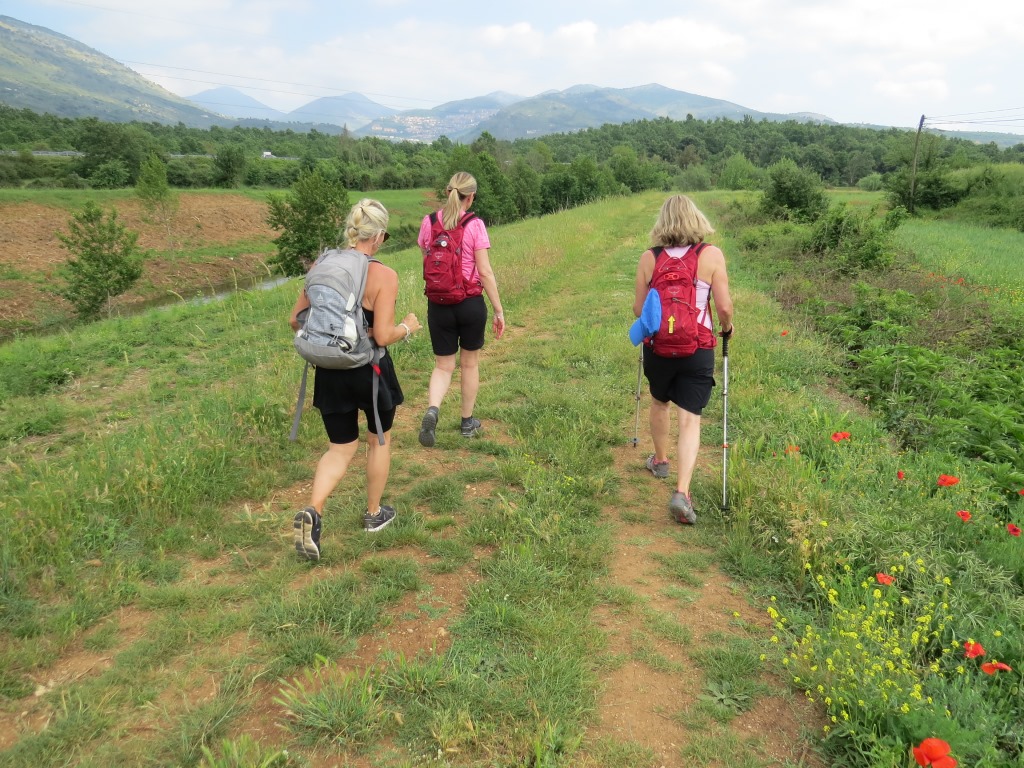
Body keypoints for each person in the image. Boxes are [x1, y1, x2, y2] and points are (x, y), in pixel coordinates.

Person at [288, 198, 422, 560]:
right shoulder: (383, 275)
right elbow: (381, 336)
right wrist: (407, 327)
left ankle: (314, 512)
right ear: (378, 236)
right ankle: (375, 514)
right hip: (369, 372)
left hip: (329, 372)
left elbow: (295, 319)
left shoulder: (321, 265)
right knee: (378, 440)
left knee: (339, 448)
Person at [632, 194, 734, 525]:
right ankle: (682, 492)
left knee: (660, 403)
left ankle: (660, 461)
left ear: (662, 223)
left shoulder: (649, 258)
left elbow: (638, 310)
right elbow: (724, 308)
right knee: (690, 418)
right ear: (696, 220)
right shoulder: (711, 255)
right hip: (698, 347)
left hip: (659, 347)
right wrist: (727, 329)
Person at [416, 172, 505, 446]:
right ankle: (467, 423)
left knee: (443, 366)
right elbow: (485, 272)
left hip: (438, 304)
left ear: (447, 192)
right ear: (472, 196)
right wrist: (499, 310)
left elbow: (429, 263)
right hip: (469, 303)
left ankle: (433, 409)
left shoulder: (429, 222)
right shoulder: (475, 224)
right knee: (469, 363)